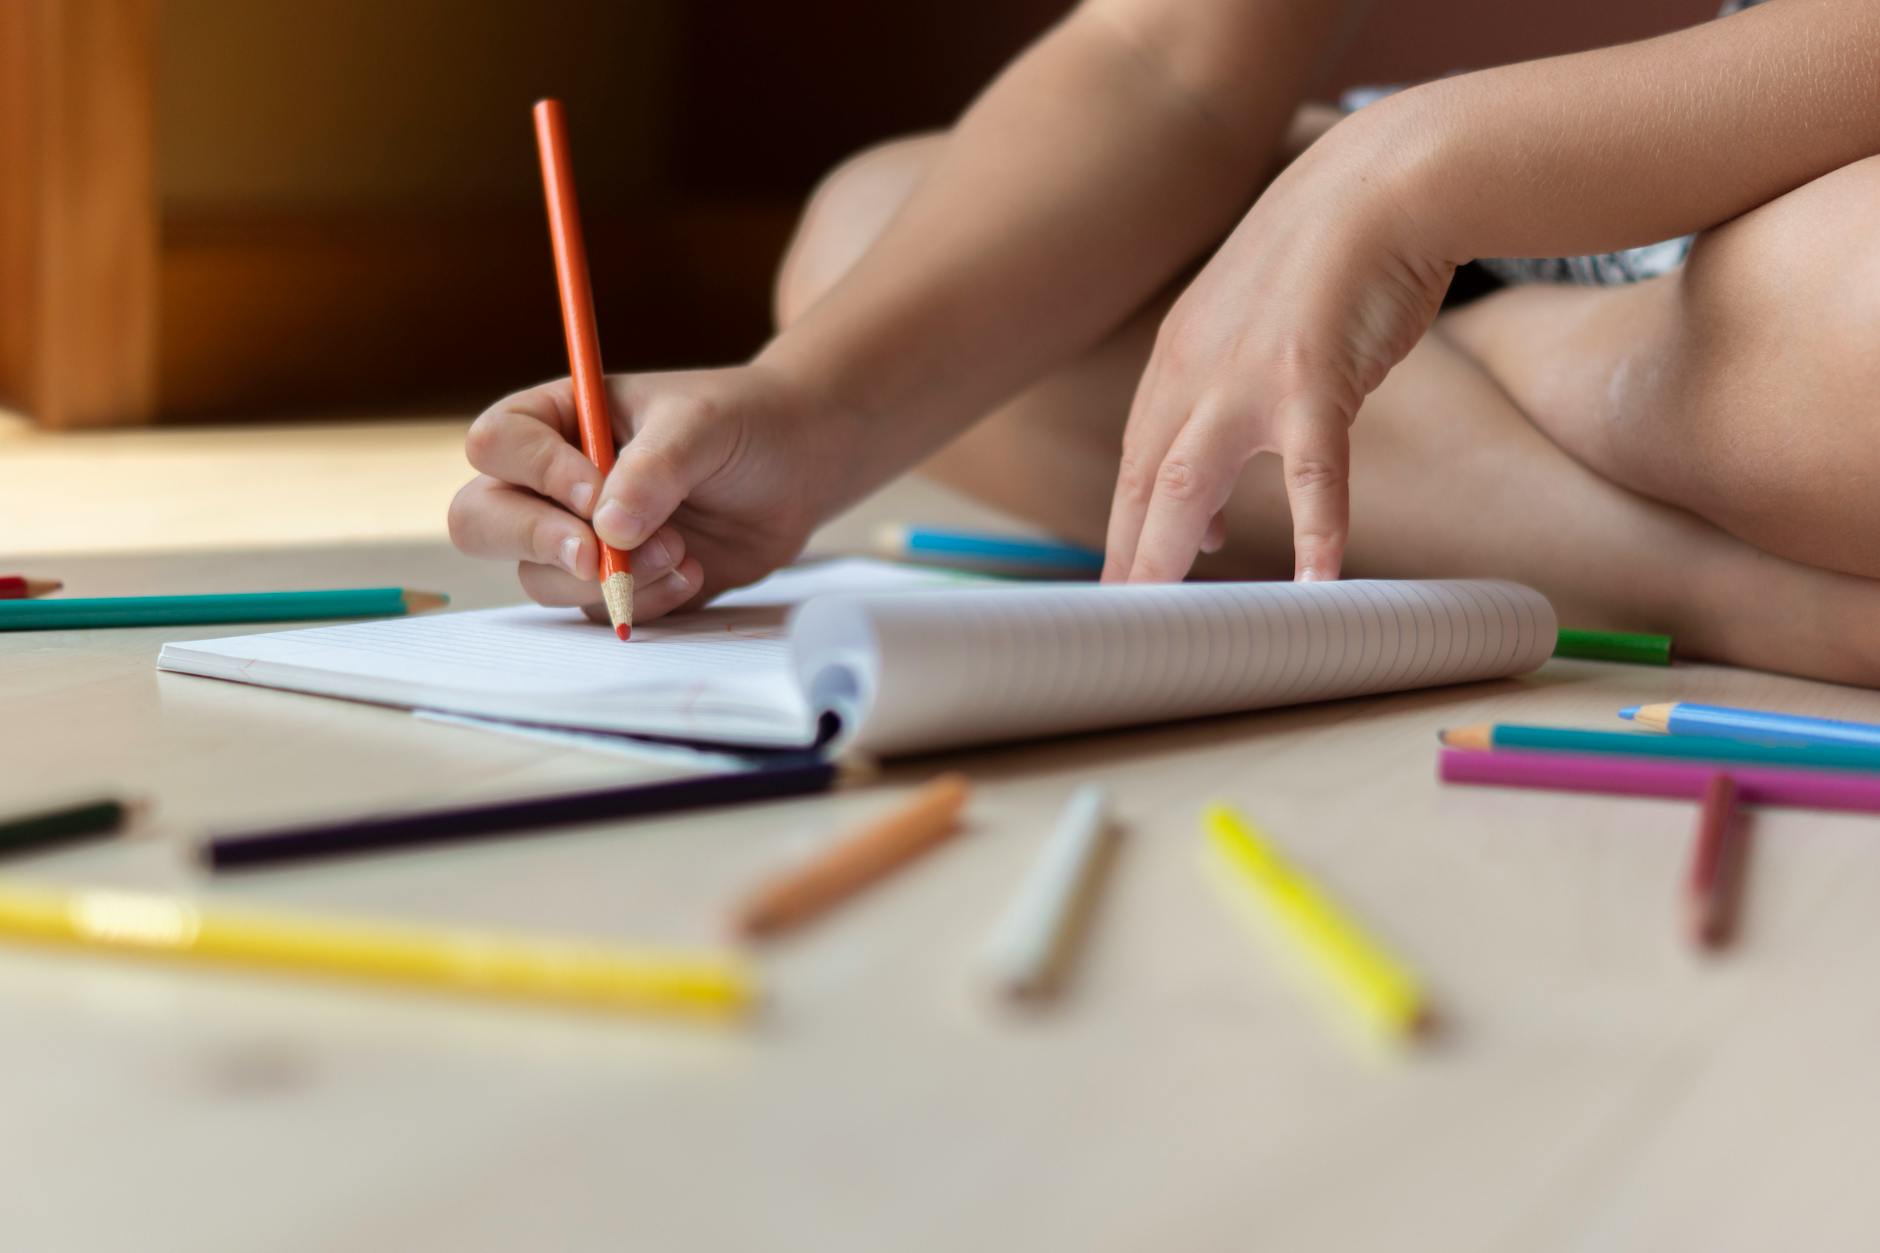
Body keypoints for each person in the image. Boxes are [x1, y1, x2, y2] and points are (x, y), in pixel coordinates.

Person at [449, 0, 1880, 684]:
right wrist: (808, 411)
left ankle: (1493, 393)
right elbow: (1166, 59)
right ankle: (1728, 586)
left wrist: (1404, 174)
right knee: (861, 240)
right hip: (1498, 226)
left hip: (1805, 199)